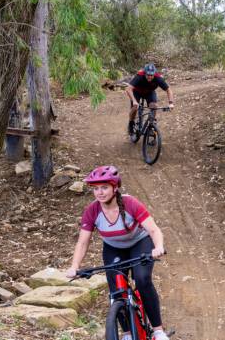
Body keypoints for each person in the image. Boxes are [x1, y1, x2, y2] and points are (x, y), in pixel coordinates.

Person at [66, 166, 169, 340]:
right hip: (113, 248)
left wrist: (158, 247)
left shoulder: (130, 203)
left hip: (140, 243)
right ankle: (127, 333)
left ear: (115, 187)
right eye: (96, 188)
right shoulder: (92, 211)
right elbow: (83, 242)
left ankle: (158, 330)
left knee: (142, 280)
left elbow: (154, 230)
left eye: (104, 187)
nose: (99, 192)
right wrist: (74, 266)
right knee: (116, 291)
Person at [127, 62, 174, 134]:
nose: (150, 77)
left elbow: (168, 90)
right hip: (137, 92)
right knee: (135, 107)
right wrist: (134, 101)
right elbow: (128, 89)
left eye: (151, 75)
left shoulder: (158, 78)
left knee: (153, 106)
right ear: (145, 73)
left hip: (149, 92)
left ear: (154, 74)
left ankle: (151, 124)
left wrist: (171, 103)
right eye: (148, 75)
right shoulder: (139, 76)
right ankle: (131, 122)